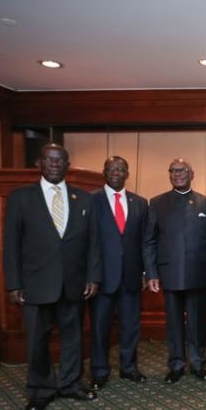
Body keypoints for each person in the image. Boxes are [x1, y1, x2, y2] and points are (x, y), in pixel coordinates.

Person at [3, 143, 101, 410]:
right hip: (35, 284)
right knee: (36, 339)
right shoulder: (21, 198)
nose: (55, 164)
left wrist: (93, 276)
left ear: (67, 165)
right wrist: (14, 284)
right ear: (39, 164)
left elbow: (93, 242)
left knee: (73, 336)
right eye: (49, 160)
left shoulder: (83, 199)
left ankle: (70, 383)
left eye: (60, 161)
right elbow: (11, 244)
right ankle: (40, 389)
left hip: (74, 283)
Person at [146, 158, 206, 384]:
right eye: (173, 171)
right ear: (170, 174)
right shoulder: (157, 203)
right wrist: (151, 273)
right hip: (169, 274)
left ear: (192, 174)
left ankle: (198, 363)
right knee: (174, 322)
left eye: (182, 170)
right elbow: (149, 241)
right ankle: (176, 364)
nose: (178, 174)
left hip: (198, 273)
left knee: (198, 322)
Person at [89, 156, 154, 390]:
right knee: (100, 327)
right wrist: (91, 276)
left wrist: (146, 272)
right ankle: (99, 371)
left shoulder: (139, 202)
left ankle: (129, 368)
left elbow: (146, 241)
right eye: (111, 168)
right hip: (101, 278)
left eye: (121, 169)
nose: (116, 172)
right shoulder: (91, 200)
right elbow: (88, 241)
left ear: (127, 174)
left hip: (131, 276)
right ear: (104, 172)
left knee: (130, 326)